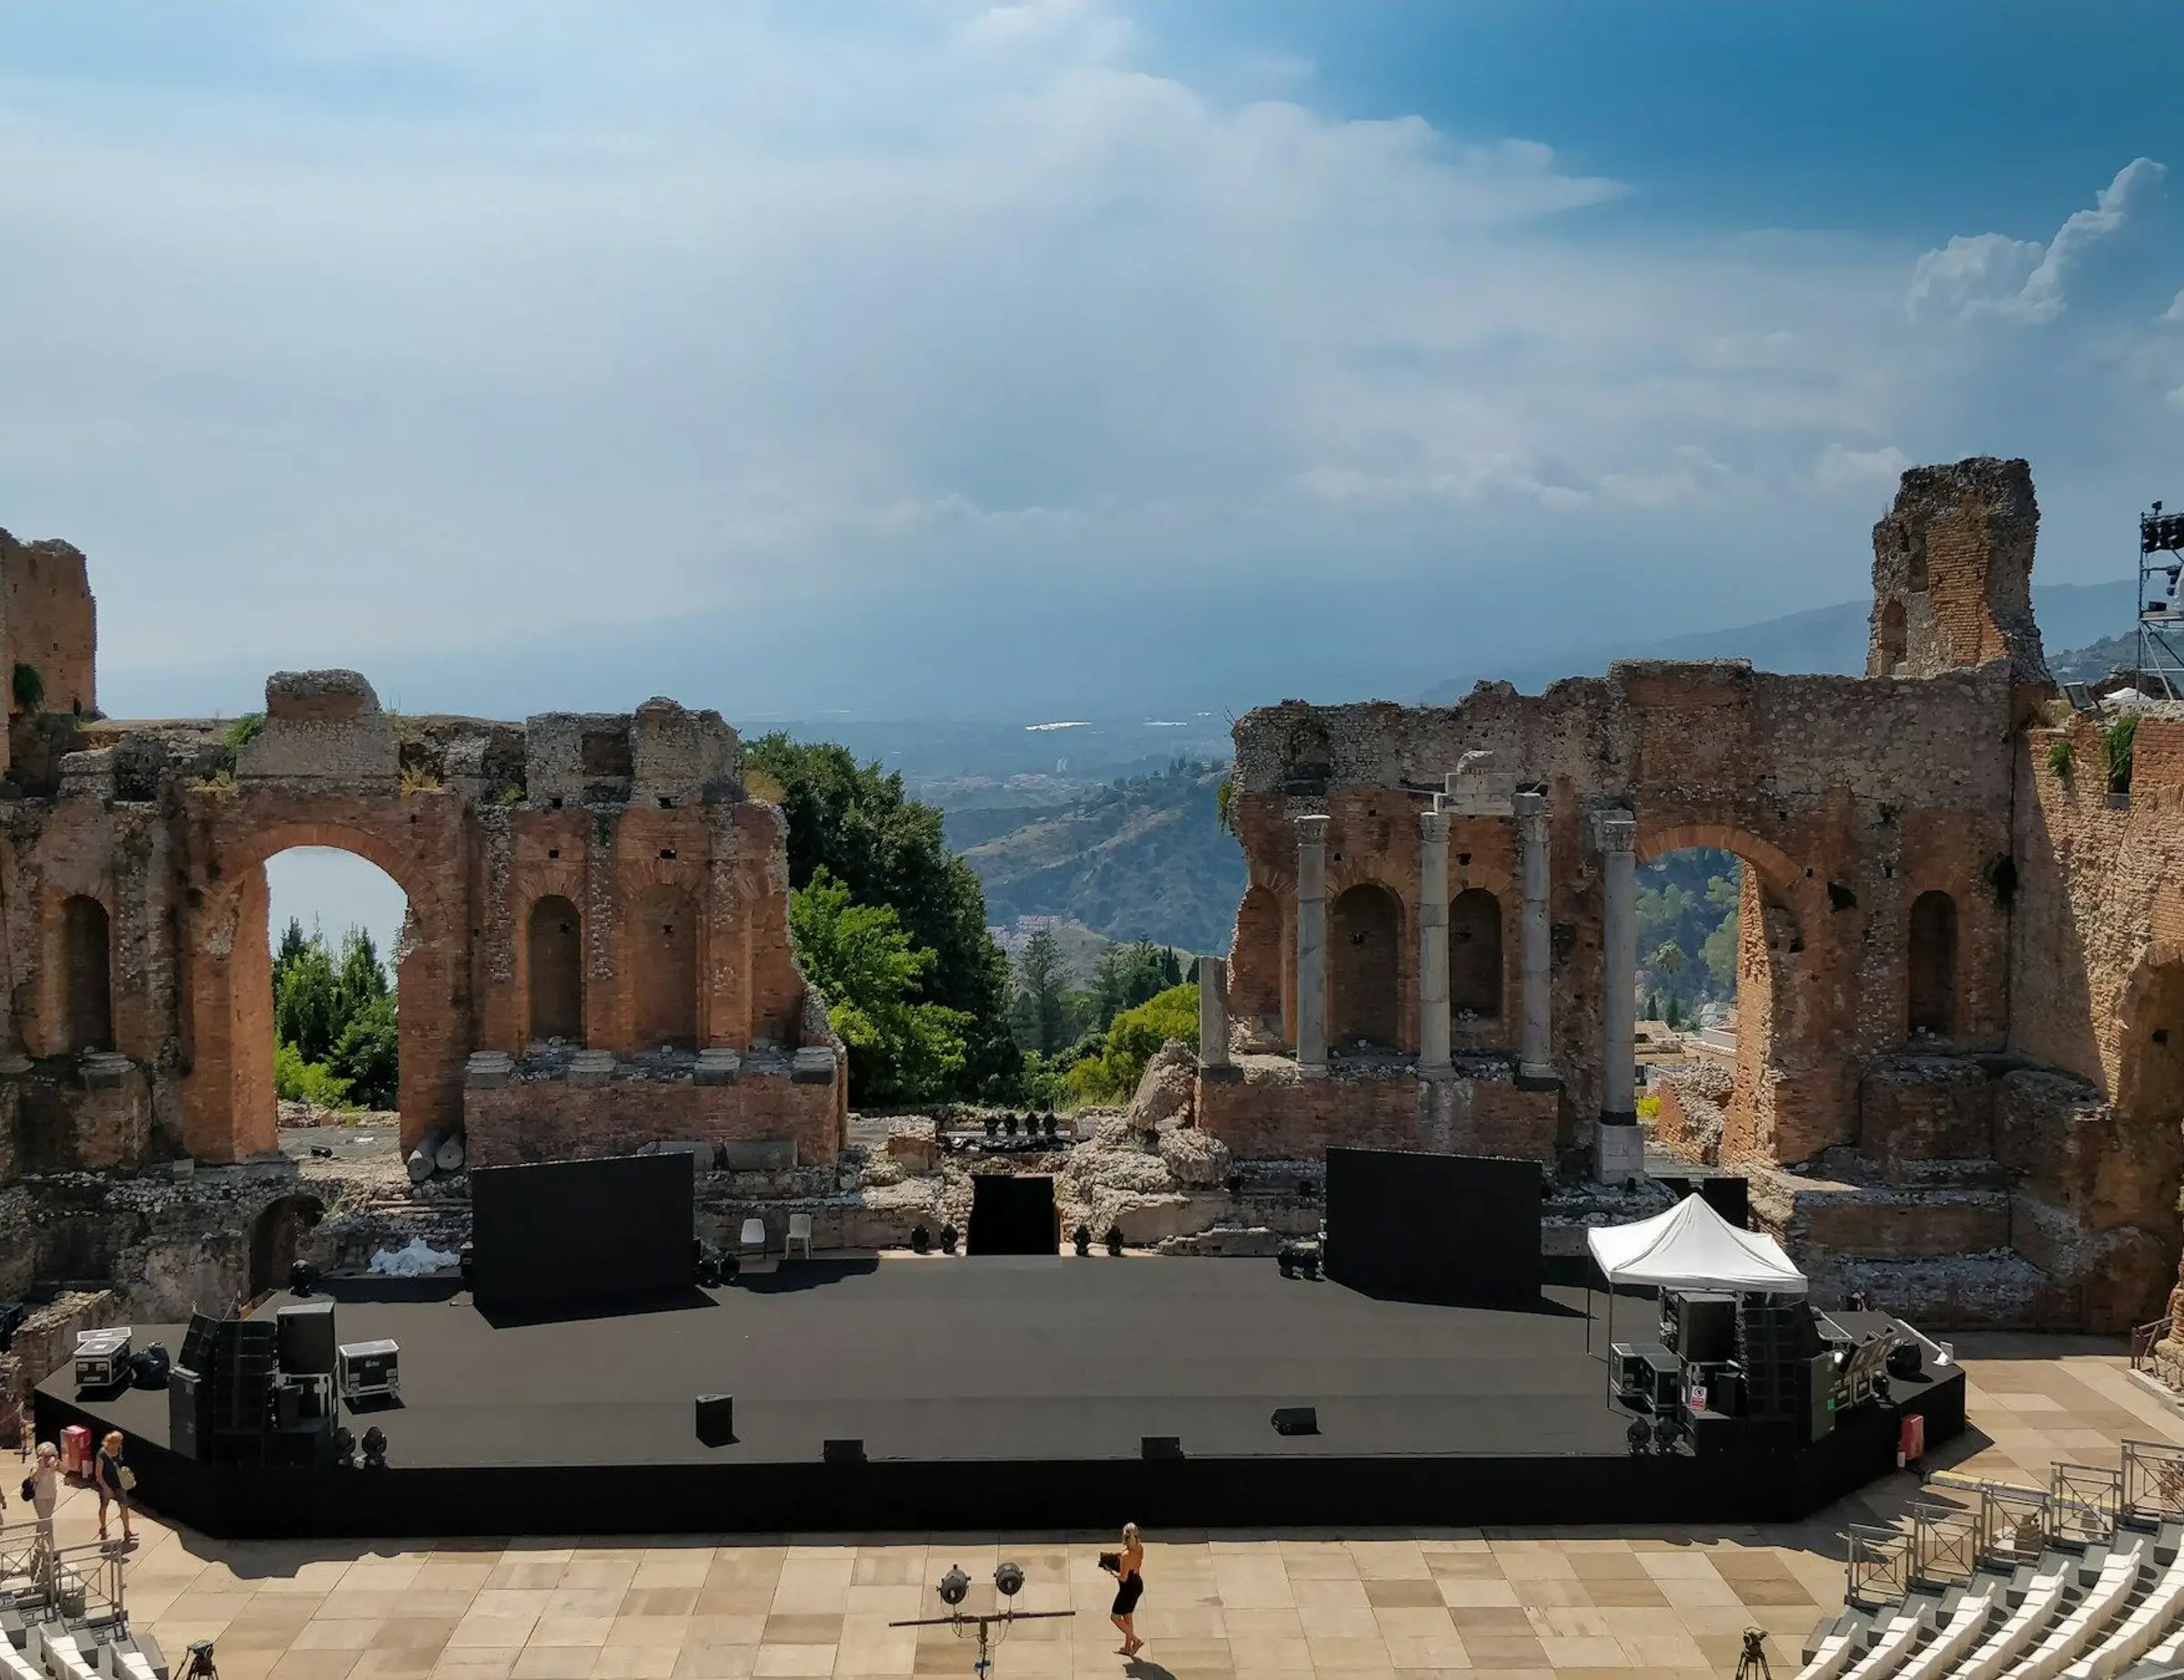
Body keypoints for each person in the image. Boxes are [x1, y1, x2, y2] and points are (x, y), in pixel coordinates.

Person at [1103, 1522, 1146, 1659]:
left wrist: (1111, 1571)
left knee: (1115, 1617)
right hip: (1137, 1584)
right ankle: (1128, 1647)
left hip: (1127, 1589)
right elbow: (1137, 1566)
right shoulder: (1140, 1548)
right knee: (1128, 1615)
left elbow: (1123, 1578)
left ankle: (1136, 1640)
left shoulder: (1125, 1555)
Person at [93, 1431, 133, 1545]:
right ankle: (103, 1528)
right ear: (112, 1442)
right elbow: (98, 1475)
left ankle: (127, 1531)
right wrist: (106, 1488)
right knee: (104, 1506)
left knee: (124, 1506)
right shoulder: (101, 1454)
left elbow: (119, 1464)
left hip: (118, 1483)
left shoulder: (119, 1449)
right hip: (105, 1483)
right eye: (118, 1442)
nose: (120, 1445)